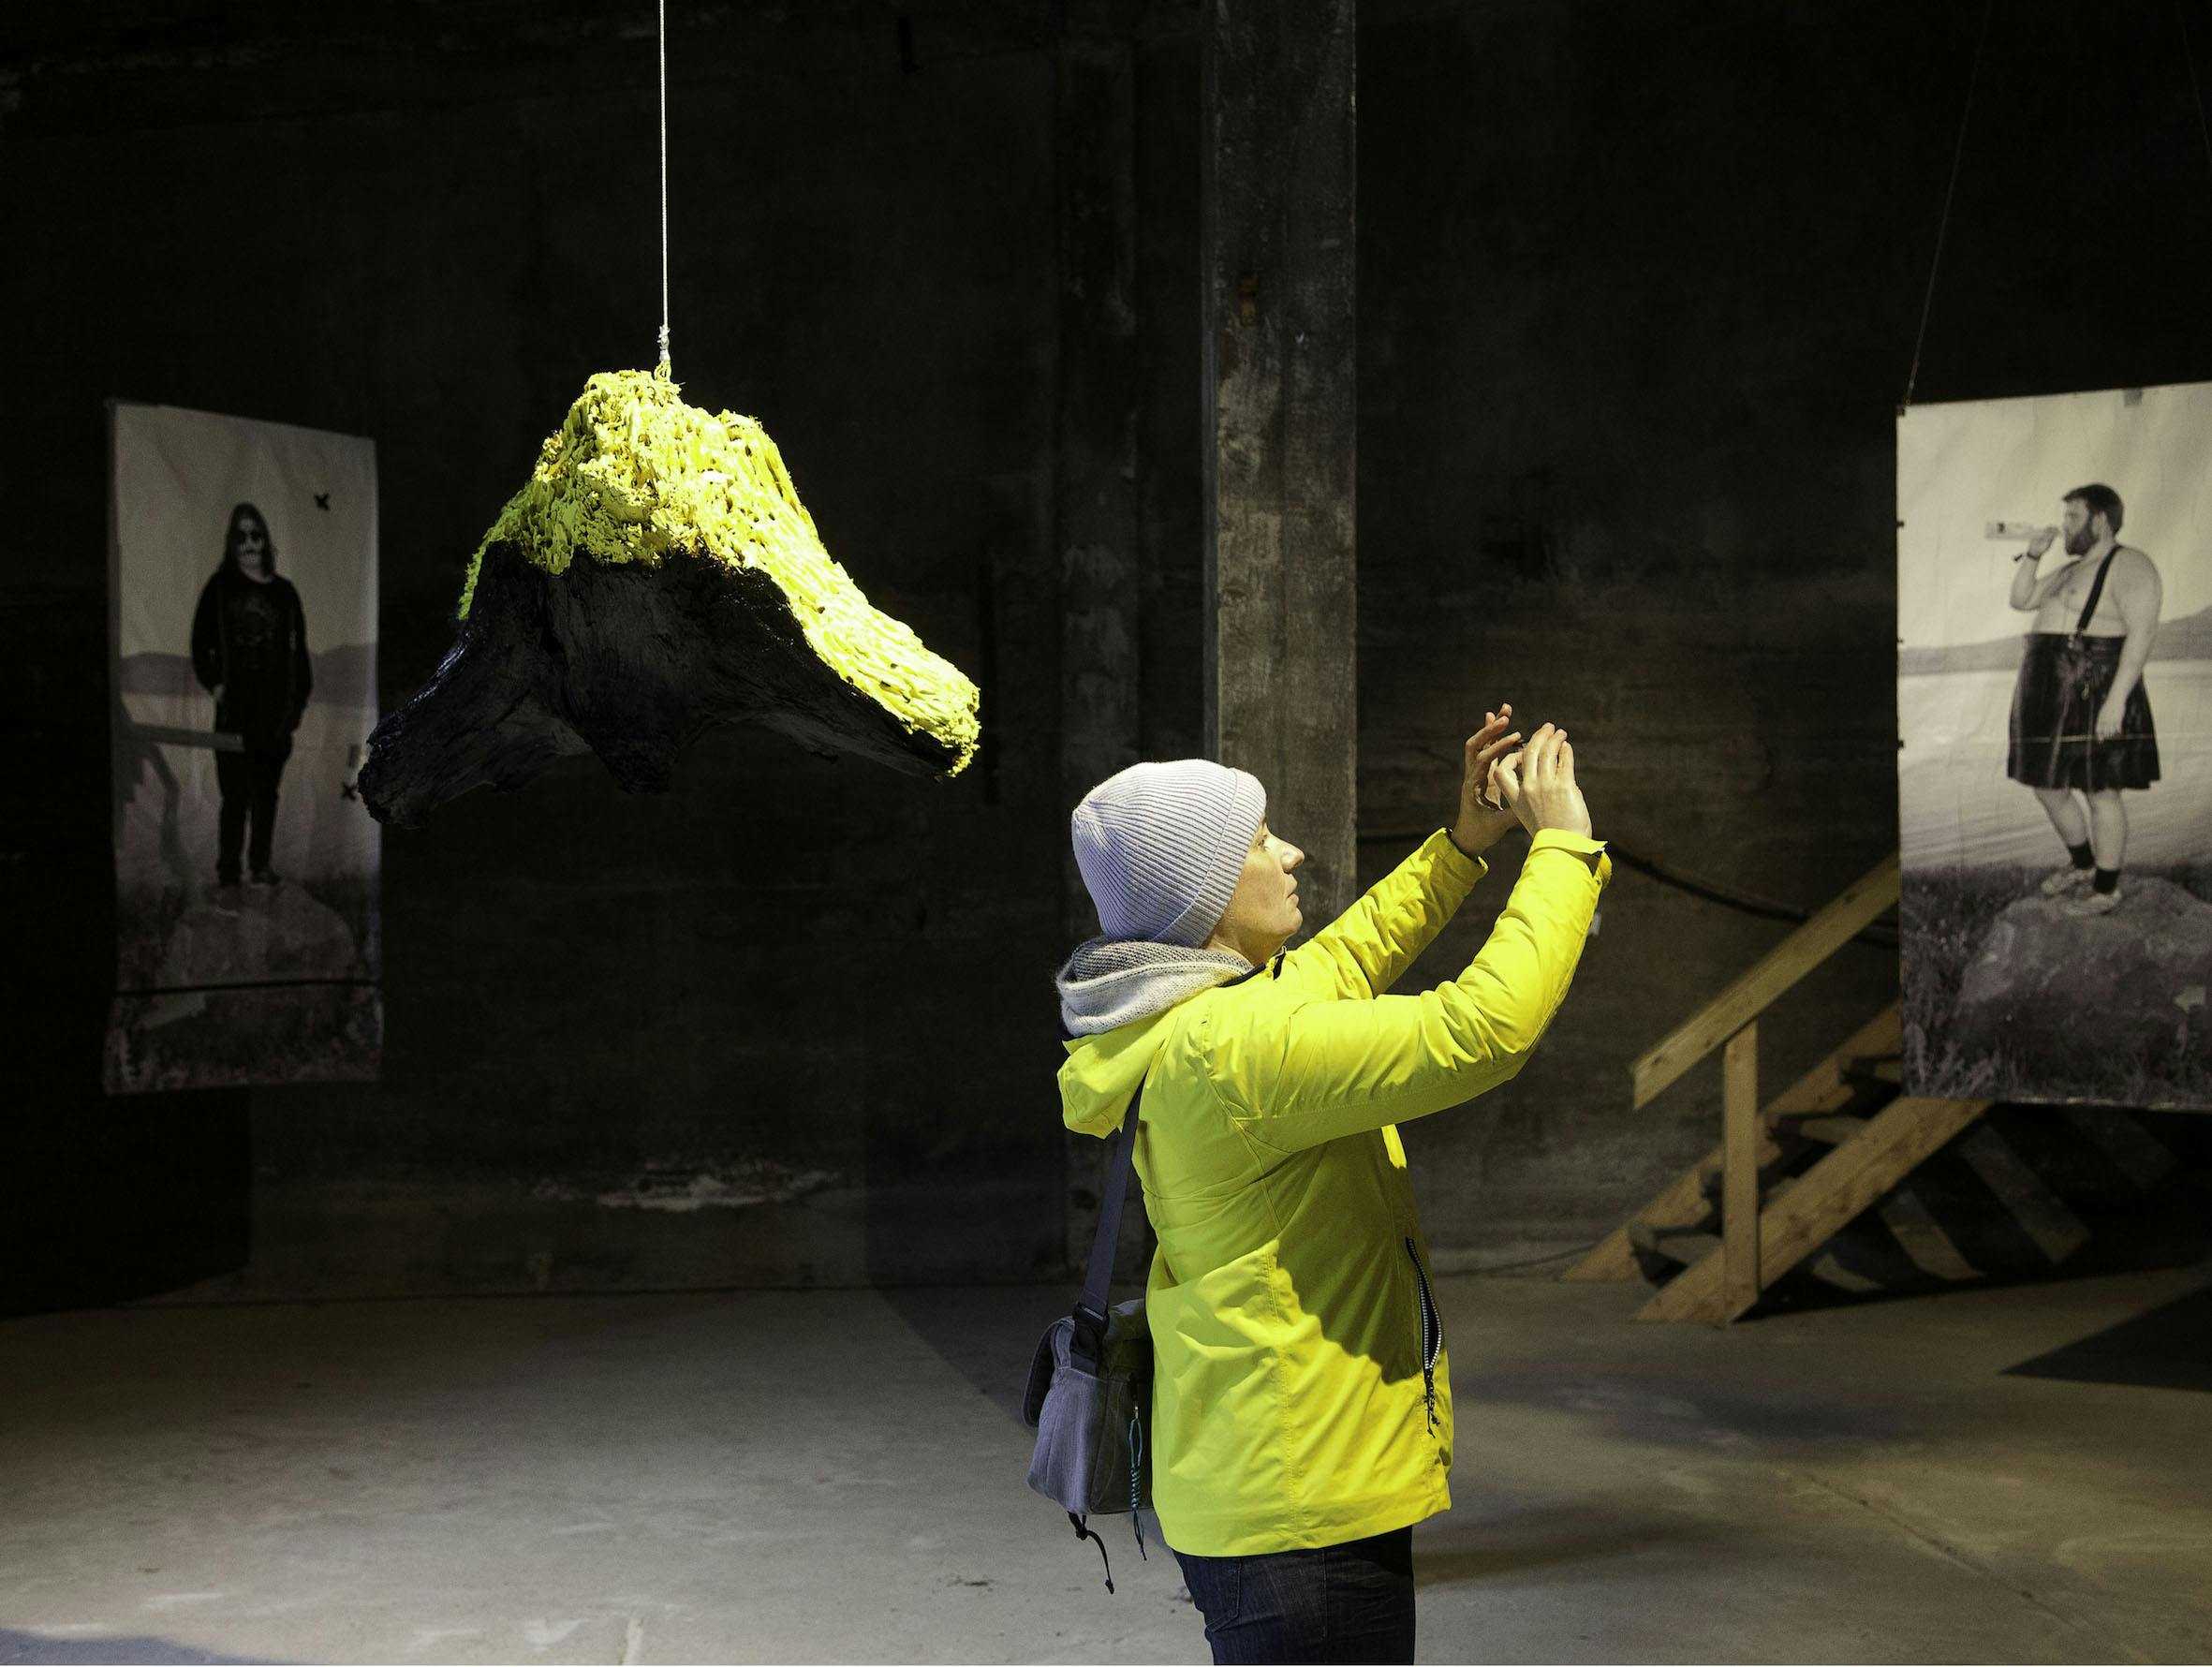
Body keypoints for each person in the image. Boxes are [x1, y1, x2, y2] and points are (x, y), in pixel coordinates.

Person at [1054, 708, 1609, 1663]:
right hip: (1298, 1507)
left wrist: (1462, 847)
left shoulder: (1194, 1012)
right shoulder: (1233, 1048)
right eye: (1263, 841)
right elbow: (1480, 1032)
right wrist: (1558, 845)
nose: (1294, 853)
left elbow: (1340, 962)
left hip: (1269, 1475)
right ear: (1208, 895)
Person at [2005, 483, 2161, 916]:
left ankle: (2106, 889)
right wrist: (2034, 554)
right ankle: (2082, 864)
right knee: (2047, 786)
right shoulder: (2070, 569)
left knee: (2101, 791)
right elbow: (2020, 600)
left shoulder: (2130, 564)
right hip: (2048, 689)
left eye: (2072, 517)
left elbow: (2143, 633)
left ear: (2100, 521)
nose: (2063, 525)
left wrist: (2116, 702)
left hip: (2094, 687)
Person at [190, 502, 312, 891]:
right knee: (235, 798)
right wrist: (217, 686)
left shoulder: (285, 594)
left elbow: (300, 655)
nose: (249, 544)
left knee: (266, 797)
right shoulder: (220, 588)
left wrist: (296, 706)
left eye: (255, 535)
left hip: (275, 715)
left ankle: (260, 867)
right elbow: (200, 644)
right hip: (234, 713)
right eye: (241, 536)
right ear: (232, 542)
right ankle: (228, 874)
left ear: (265, 540)